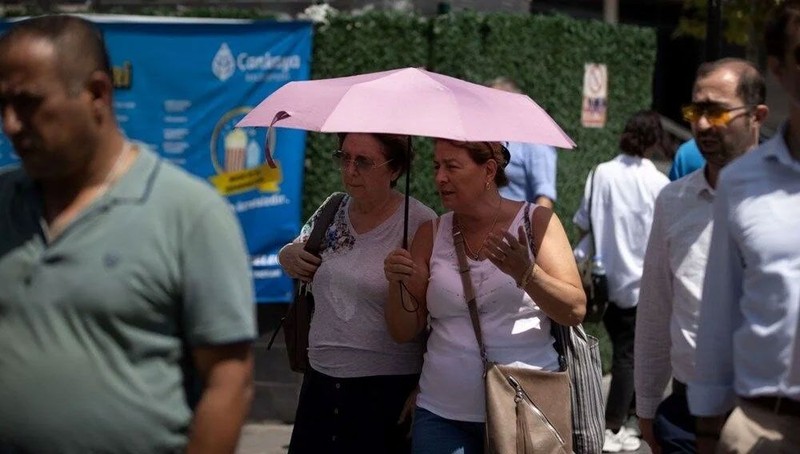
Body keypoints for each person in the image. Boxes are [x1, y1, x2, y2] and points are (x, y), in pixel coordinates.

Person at [0, 15, 255, 453]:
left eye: (28, 103)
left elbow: (229, 381)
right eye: (1, 105)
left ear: (96, 93)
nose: (11, 124)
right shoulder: (4, 200)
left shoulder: (189, 213)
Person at [383, 139, 585, 453]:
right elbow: (403, 331)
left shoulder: (536, 223)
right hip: (441, 415)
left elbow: (574, 309)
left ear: (488, 170)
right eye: (436, 166)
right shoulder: (430, 234)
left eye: (452, 166)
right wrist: (398, 285)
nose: (439, 178)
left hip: (526, 411)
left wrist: (526, 273)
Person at [634, 59, 768, 454]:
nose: (703, 125)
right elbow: (657, 308)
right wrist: (645, 406)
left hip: (770, 413)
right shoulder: (673, 201)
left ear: (757, 115)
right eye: (697, 111)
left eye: (717, 111)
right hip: (687, 414)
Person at [687, 2, 800, 452]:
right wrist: (709, 427)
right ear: (780, 68)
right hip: (764, 424)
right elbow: (720, 312)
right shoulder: (742, 183)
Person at [278, 132, 436, 453]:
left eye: (363, 161)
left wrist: (424, 387)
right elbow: (296, 249)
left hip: (385, 391)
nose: (350, 170)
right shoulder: (332, 209)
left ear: (395, 169)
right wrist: (288, 255)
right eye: (344, 157)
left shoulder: (419, 223)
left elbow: (438, 317)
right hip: (319, 381)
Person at [573, 110, 670, 453]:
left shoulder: (601, 173)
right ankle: (615, 423)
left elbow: (583, 220)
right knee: (631, 353)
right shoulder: (659, 183)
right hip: (643, 280)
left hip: (602, 278)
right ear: (655, 139)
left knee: (622, 350)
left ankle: (627, 419)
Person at [488, 76, 558, 208]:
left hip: (516, 225)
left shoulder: (535, 143)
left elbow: (545, 197)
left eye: (494, 102)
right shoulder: (490, 139)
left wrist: (530, 228)